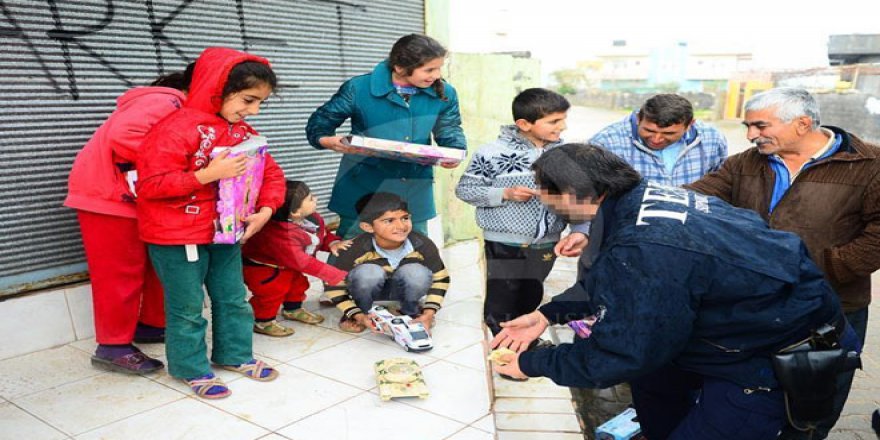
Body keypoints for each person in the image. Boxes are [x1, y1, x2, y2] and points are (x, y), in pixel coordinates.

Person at [490, 143, 859, 440]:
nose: (542, 198)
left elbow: (621, 353)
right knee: (656, 391)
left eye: (545, 191)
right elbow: (615, 280)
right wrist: (547, 314)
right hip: (742, 329)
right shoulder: (639, 200)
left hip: (773, 357)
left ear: (573, 193)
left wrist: (530, 364)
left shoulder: (643, 244)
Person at [686, 87, 880, 439]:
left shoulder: (869, 164)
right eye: (747, 126)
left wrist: (830, 269)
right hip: (753, 302)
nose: (750, 135)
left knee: (815, 396)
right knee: (749, 390)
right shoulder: (746, 162)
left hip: (832, 304)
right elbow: (697, 198)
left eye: (760, 126)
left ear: (802, 123)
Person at [136, 47, 285, 399]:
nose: (253, 111)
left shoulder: (241, 131)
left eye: (260, 103)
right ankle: (190, 368)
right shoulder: (172, 129)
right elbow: (150, 186)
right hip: (177, 236)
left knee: (233, 297)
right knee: (187, 306)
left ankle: (234, 355)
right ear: (217, 87)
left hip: (227, 233)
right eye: (248, 100)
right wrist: (205, 176)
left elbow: (271, 174)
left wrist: (266, 209)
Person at [64, 64, 193, 374]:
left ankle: (148, 325)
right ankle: (112, 346)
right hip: (108, 198)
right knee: (118, 273)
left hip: (133, 197)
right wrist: (181, 165)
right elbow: (126, 135)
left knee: (153, 264)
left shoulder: (176, 104)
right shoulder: (169, 101)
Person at [455, 88, 589, 343]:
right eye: (554, 121)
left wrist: (580, 229)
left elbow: (581, 198)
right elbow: (466, 189)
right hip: (504, 242)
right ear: (524, 124)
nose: (563, 126)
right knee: (502, 299)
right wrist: (504, 193)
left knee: (531, 295)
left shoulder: (568, 156)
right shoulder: (491, 153)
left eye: (563, 119)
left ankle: (523, 338)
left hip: (547, 241)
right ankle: (503, 346)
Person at [306, 33, 467, 239]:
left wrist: (454, 151)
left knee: (414, 258)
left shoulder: (445, 92)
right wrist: (327, 140)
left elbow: (449, 127)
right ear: (400, 67)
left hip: (414, 188)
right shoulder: (358, 88)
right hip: (363, 188)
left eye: (438, 68)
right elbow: (320, 122)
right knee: (353, 256)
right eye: (429, 69)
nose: (436, 75)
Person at [326, 192, 449, 333]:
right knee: (368, 273)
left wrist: (429, 312)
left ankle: (411, 310)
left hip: (403, 290)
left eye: (405, 218)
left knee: (416, 273)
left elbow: (441, 279)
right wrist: (356, 313)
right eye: (389, 221)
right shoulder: (355, 248)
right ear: (368, 227)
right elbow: (333, 285)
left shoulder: (422, 244)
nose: (401, 226)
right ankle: (361, 313)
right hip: (367, 291)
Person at [242, 180, 351, 337]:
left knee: (298, 285)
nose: (316, 199)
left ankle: (293, 309)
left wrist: (333, 243)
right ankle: (263, 321)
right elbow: (303, 261)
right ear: (295, 213)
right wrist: (335, 276)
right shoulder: (279, 235)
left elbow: (321, 235)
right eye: (311, 198)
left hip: (288, 266)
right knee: (271, 294)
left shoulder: (310, 219)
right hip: (265, 269)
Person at [588, 93, 727, 186]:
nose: (656, 139)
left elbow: (720, 184)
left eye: (668, 133)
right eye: (649, 130)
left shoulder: (712, 140)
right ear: (638, 118)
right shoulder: (606, 143)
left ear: (690, 125)